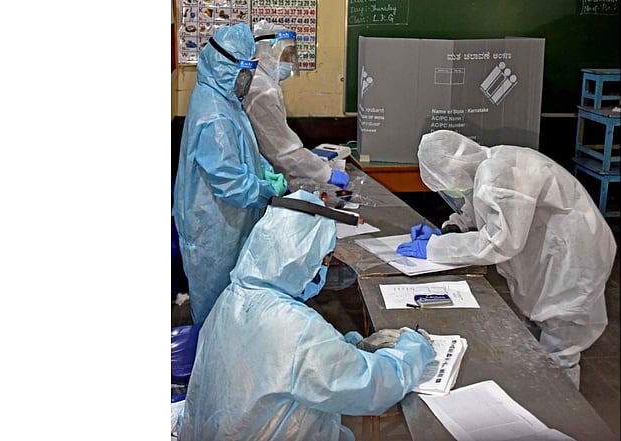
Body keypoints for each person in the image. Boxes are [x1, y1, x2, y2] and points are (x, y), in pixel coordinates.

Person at [178, 190, 435, 441]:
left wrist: (351, 348)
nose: (323, 268)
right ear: (302, 258)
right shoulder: (296, 327)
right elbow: (372, 387)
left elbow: (280, 363)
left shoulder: (233, 297)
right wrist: (414, 349)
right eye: (324, 259)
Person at [396, 130, 616, 388]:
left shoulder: (496, 175)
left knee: (560, 345)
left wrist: (436, 248)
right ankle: (538, 396)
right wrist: (450, 230)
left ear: (452, 171)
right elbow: (477, 208)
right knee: (535, 331)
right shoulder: (485, 167)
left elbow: (498, 241)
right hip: (549, 255)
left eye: (446, 185)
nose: (450, 192)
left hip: (570, 259)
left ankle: (563, 415)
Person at [173, 23, 288, 326]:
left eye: (251, 69)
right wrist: (265, 190)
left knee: (230, 317)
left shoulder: (222, 98)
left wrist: (264, 169)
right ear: (224, 64)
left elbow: (243, 148)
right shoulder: (214, 114)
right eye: (244, 70)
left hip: (226, 225)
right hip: (214, 231)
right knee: (216, 321)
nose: (247, 78)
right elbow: (230, 182)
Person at [243, 20, 350, 191]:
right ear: (268, 52)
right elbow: (283, 151)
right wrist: (325, 173)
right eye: (287, 55)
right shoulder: (262, 90)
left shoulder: (264, 82)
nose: (290, 63)